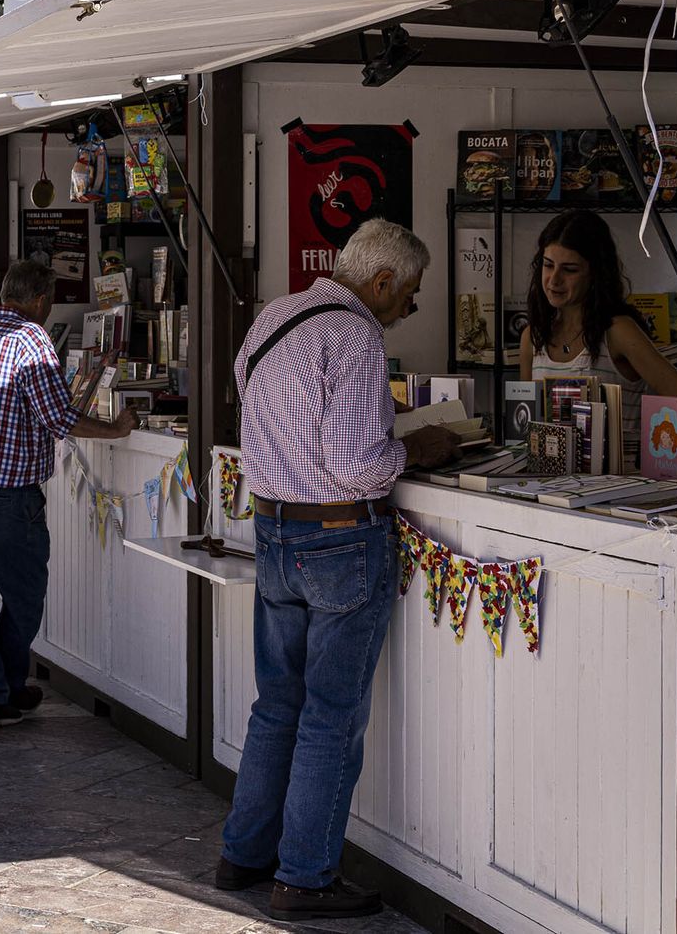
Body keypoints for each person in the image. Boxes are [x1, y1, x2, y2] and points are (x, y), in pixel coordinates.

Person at [216, 219, 459, 921]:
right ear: (381, 281)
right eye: (410, 292)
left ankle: (244, 853)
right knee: (330, 714)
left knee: (277, 703)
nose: (410, 305)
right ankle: (304, 877)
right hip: (340, 542)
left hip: (274, 532)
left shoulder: (274, 317)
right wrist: (417, 449)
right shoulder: (355, 336)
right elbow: (359, 466)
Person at [0, 260, 138, 733]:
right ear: (42, 300)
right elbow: (58, 418)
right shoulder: (31, 339)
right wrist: (115, 429)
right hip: (3, 492)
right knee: (24, 596)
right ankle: (3, 689)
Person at [519, 209, 677, 467]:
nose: (554, 279)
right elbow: (527, 424)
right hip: (548, 483)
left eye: (569, 269)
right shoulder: (532, 337)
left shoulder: (619, 331)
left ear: (595, 273)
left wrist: (658, 458)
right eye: (548, 265)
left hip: (617, 484)